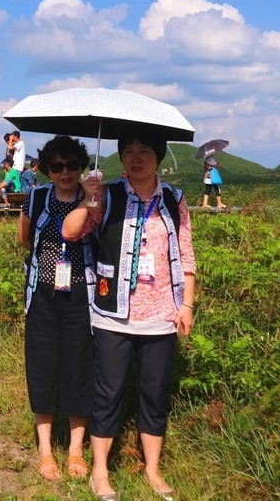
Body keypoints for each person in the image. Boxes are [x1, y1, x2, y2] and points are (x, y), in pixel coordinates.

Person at [69, 128, 196, 501]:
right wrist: (88, 199)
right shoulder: (106, 196)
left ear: (158, 157)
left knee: (154, 394)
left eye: (144, 151)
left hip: (162, 314)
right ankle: (100, 472)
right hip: (113, 314)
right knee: (108, 393)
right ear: (121, 158)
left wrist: (186, 304)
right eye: (128, 151)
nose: (136, 157)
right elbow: (70, 232)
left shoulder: (174, 199)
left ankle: (153, 470)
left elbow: (186, 255)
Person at [17, 135, 95, 482]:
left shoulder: (94, 200)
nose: (65, 172)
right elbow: (25, 239)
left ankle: (76, 448)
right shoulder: (35, 198)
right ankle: (46, 450)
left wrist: (91, 200)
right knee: (42, 365)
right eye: (57, 166)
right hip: (43, 295)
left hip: (82, 294)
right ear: (47, 169)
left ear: (81, 166)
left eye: (72, 165)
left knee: (80, 365)